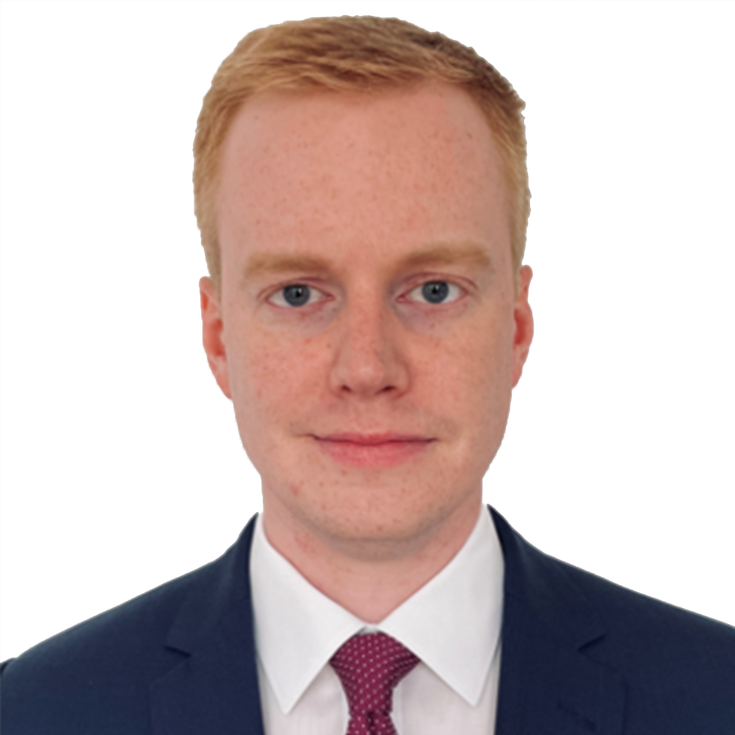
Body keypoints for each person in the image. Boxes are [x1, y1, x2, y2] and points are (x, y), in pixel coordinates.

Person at [2, 13, 734, 735]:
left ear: (517, 326)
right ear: (217, 335)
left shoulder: (718, 696)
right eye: (298, 294)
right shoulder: (34, 712)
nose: (366, 368)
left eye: (433, 290)